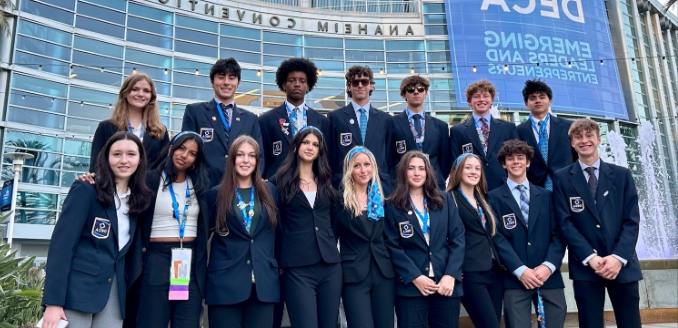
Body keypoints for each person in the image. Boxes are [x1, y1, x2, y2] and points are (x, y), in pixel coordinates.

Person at [42, 131, 152, 328]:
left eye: (131, 154)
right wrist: (53, 302)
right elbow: (61, 248)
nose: (124, 160)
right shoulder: (86, 190)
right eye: (117, 154)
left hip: (114, 294)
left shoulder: (139, 200)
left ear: (140, 159)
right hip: (77, 291)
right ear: (106, 158)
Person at [552, 118, 642, 328]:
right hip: (586, 267)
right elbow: (565, 223)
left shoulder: (622, 175)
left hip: (622, 264)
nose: (584, 140)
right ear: (572, 143)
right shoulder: (562, 178)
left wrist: (618, 258)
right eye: (578, 137)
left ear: (598, 139)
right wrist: (590, 257)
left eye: (589, 135)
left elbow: (632, 221)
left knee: (630, 323)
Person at [133, 131, 210, 328]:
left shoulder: (200, 185)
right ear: (170, 149)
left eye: (192, 153)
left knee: (187, 323)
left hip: (188, 262)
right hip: (157, 258)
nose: (185, 155)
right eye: (181, 148)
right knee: (152, 322)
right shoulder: (149, 179)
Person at [488, 140, 567, 328]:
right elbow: (496, 238)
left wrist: (548, 266)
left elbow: (558, 235)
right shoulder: (493, 198)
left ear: (528, 162)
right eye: (511, 158)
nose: (516, 162)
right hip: (515, 279)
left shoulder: (547, 196)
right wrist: (520, 270)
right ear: (504, 164)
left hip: (548, 277)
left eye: (520, 158)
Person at [205, 136, 280, 328]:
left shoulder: (271, 191)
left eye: (251, 156)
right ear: (232, 159)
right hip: (225, 285)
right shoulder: (216, 194)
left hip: (263, 286)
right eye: (240, 155)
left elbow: (279, 234)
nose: (246, 160)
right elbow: (204, 236)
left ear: (257, 161)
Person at [384, 151, 465, 328]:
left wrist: (451, 275)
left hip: (445, 285)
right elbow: (392, 246)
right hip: (411, 288)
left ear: (428, 172)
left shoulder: (444, 200)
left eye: (421, 168)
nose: (417, 173)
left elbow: (458, 238)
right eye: (411, 168)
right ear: (403, 172)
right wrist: (415, 277)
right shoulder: (392, 205)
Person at [271, 126, 341, 328]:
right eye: (306, 142)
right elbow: (278, 224)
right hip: (297, 267)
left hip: (330, 266)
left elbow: (333, 220)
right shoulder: (279, 182)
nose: (310, 147)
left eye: (315, 144)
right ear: (296, 147)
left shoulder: (327, 182)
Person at [181, 58, 264, 187]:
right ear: (212, 82)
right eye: (221, 77)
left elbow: (260, 156)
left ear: (238, 83)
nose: (226, 82)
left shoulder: (250, 119)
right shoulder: (194, 112)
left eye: (231, 78)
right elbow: (186, 151)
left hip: (239, 188)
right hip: (202, 189)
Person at [336, 146, 395, 328]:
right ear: (349, 170)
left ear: (374, 166)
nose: (363, 170)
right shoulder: (339, 200)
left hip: (383, 271)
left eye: (367, 164)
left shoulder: (384, 198)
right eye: (357, 166)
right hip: (354, 274)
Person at [447, 153, 503, 328]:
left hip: (494, 272)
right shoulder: (449, 199)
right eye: (468, 167)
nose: (474, 172)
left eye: (477, 168)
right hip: (470, 273)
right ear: (458, 171)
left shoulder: (484, 199)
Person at [260, 57, 331, 180]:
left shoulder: (322, 121)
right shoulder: (266, 120)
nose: (297, 84)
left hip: (312, 184)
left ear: (308, 86)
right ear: (284, 85)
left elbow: (326, 158)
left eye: (302, 81)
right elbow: (262, 156)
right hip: (277, 184)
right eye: (292, 80)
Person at [328, 65, 395, 194]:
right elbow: (331, 156)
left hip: (379, 187)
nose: (360, 85)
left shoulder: (386, 120)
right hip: (345, 188)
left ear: (371, 86)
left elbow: (390, 157)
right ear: (349, 87)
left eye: (364, 82)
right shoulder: (335, 118)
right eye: (355, 82)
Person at [89, 73, 169, 172]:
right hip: (113, 186)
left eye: (146, 91)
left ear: (151, 97)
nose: (140, 94)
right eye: (134, 89)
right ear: (125, 93)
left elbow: (163, 167)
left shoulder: (160, 131)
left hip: (147, 187)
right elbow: (96, 166)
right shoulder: (106, 127)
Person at [449, 79, 519, 191]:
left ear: (491, 100)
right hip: (471, 188)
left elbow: (517, 159)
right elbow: (454, 164)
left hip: (504, 188)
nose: (481, 100)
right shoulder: (457, 131)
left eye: (486, 96)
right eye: (476, 96)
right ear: (469, 101)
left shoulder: (508, 128)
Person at [392, 76, 450, 190]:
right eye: (411, 90)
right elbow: (390, 158)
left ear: (426, 93)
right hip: (403, 185)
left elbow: (445, 160)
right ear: (404, 95)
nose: (416, 92)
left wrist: (435, 176)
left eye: (420, 89)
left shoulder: (441, 126)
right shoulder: (392, 123)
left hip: (434, 185)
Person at [516, 79, 576, 190]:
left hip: (566, 186)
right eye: (532, 98)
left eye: (542, 97)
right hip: (534, 188)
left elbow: (577, 156)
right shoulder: (518, 131)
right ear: (526, 104)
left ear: (550, 101)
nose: (537, 101)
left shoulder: (568, 127)